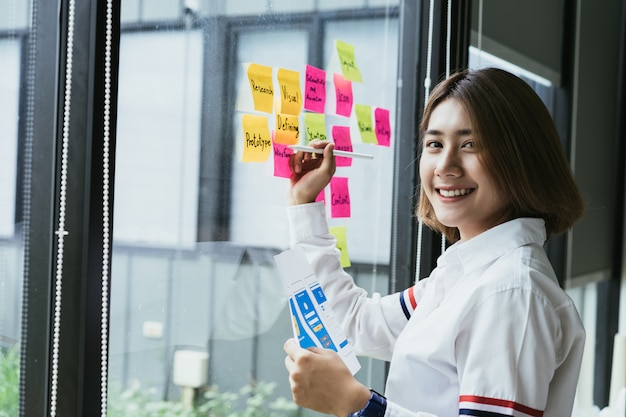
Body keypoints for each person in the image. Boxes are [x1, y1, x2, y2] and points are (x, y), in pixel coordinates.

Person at [282, 67, 586, 417]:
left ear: (521, 158)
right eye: (435, 144)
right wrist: (304, 206)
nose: (445, 165)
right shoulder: (464, 274)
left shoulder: (511, 292)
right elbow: (351, 325)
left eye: (470, 144)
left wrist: (359, 405)